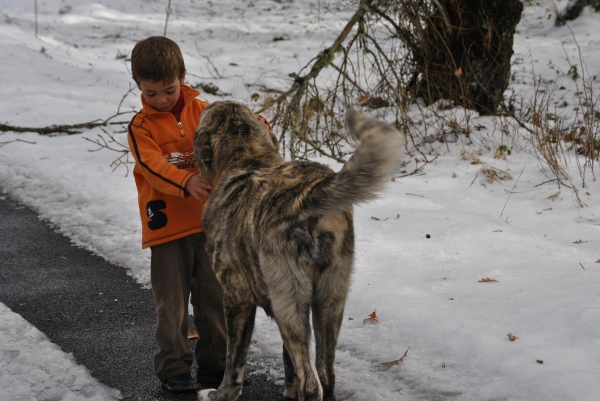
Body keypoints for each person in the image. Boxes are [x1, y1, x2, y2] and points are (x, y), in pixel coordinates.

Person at [126, 36, 227, 392]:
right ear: (138, 84)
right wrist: (186, 181)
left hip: (209, 222)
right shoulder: (141, 127)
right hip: (166, 227)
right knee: (171, 303)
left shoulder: (204, 112)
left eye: (168, 90)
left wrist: (256, 122)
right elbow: (151, 166)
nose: (160, 100)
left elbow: (230, 130)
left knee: (214, 297)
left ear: (183, 77)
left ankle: (217, 366)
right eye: (150, 93)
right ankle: (174, 369)